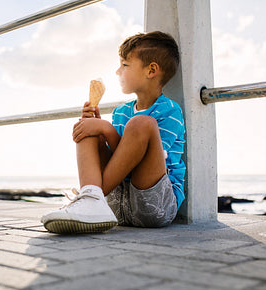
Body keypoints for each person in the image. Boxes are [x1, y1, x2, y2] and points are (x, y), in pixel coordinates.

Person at [42, 31, 185, 234]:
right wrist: (97, 130)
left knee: (141, 124)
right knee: (88, 127)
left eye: (125, 65)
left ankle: (91, 198)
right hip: (115, 205)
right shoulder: (120, 112)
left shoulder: (170, 111)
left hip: (154, 205)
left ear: (151, 70)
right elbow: (117, 162)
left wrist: (107, 130)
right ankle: (91, 199)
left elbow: (142, 162)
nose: (118, 72)